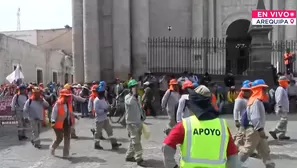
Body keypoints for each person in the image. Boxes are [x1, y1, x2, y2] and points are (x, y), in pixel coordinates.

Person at [162, 85, 239, 168]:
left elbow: (167, 146)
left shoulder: (185, 125)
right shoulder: (223, 126)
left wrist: (172, 166)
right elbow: (233, 156)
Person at [238, 79, 275, 168]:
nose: (265, 91)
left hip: (256, 129)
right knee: (247, 150)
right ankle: (234, 164)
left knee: (264, 150)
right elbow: (255, 117)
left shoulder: (255, 100)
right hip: (255, 130)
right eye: (263, 89)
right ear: (258, 89)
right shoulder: (256, 101)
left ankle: (269, 165)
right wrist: (260, 129)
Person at [124, 79, 146, 166]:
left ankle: (129, 155)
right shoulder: (127, 98)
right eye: (134, 87)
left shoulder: (139, 97)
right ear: (130, 88)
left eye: (136, 86)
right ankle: (139, 158)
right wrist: (133, 95)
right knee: (136, 142)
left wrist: (142, 116)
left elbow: (140, 108)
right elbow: (129, 103)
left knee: (134, 141)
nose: (136, 88)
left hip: (138, 122)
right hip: (131, 123)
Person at [93, 85, 122, 149]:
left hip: (105, 118)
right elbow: (97, 111)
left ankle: (114, 144)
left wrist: (110, 107)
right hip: (99, 119)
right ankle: (96, 145)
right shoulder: (96, 101)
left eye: (103, 93)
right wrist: (105, 110)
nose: (102, 94)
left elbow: (107, 105)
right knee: (97, 133)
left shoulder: (104, 99)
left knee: (110, 131)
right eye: (101, 93)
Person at [50, 89, 74, 158]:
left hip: (67, 123)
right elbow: (53, 114)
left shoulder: (69, 104)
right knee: (59, 138)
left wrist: (74, 116)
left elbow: (69, 112)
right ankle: (53, 147)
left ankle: (66, 154)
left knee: (67, 138)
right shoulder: (58, 104)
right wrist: (53, 122)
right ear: (62, 96)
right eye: (66, 96)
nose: (67, 98)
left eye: (68, 96)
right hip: (58, 124)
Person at [269, 76, 290, 140]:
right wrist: (280, 106)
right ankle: (275, 131)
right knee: (283, 120)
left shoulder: (284, 89)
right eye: (286, 82)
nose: (287, 83)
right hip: (281, 107)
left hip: (284, 107)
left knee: (285, 121)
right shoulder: (280, 89)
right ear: (283, 82)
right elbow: (278, 99)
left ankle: (282, 135)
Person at [233, 83, 251, 147]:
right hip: (241, 120)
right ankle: (236, 147)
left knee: (243, 135)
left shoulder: (248, 99)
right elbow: (236, 110)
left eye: (248, 91)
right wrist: (236, 120)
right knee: (240, 135)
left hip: (247, 120)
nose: (246, 92)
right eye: (244, 91)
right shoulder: (239, 100)